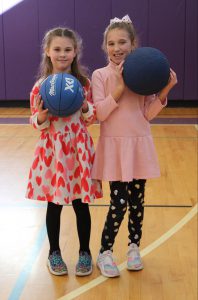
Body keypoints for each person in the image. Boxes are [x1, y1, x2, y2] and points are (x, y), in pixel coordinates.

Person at [91, 15, 177, 278]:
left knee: (138, 202)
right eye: (111, 43)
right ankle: (105, 252)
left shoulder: (143, 74)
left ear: (133, 44)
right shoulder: (100, 75)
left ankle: (133, 248)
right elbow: (100, 114)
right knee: (118, 203)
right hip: (116, 149)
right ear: (105, 46)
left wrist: (165, 90)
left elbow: (147, 114)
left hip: (139, 145)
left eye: (122, 42)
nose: (117, 48)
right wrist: (118, 87)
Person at [26, 27, 102, 277]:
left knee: (81, 204)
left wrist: (84, 106)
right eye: (57, 49)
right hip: (53, 152)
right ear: (47, 52)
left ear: (75, 52)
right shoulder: (40, 87)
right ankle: (54, 253)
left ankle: (84, 253)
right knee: (54, 205)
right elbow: (36, 124)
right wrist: (41, 117)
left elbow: (91, 119)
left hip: (78, 149)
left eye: (67, 49)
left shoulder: (83, 84)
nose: (62, 54)